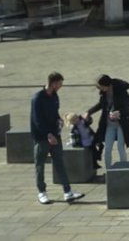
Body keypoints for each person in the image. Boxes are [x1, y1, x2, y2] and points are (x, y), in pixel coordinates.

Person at [30, 72, 83, 205]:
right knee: (40, 165)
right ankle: (42, 193)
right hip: (42, 137)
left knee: (59, 163)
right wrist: (48, 135)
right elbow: (37, 120)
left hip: (55, 135)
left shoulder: (54, 96)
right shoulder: (37, 98)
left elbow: (54, 113)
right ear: (53, 83)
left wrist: (60, 120)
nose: (60, 87)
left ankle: (67, 192)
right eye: (59, 84)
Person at [86, 74, 129, 171]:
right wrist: (89, 112)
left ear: (107, 85)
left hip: (121, 123)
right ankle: (108, 170)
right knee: (108, 148)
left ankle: (124, 169)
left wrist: (120, 112)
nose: (100, 89)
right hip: (109, 124)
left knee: (120, 147)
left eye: (101, 87)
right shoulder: (104, 93)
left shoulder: (120, 90)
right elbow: (100, 105)